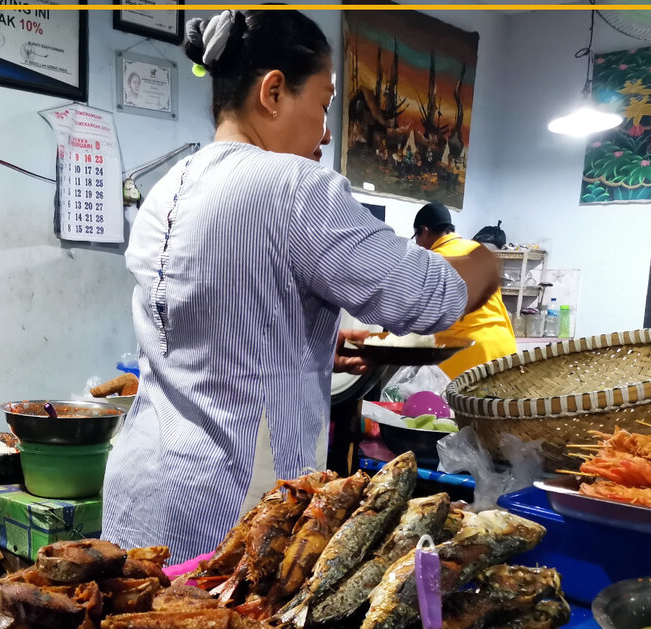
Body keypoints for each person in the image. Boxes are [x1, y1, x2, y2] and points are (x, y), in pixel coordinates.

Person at [101, 8, 500, 564]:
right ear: (272, 92)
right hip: (228, 501)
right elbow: (425, 296)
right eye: (324, 102)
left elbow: (208, 328)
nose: (326, 128)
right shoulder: (293, 187)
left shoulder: (166, 190)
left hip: (139, 482)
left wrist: (313, 349)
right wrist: (486, 264)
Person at [412, 201, 518, 380]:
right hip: (503, 347)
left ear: (425, 231)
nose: (417, 243)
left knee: (453, 406)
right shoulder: (477, 249)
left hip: (469, 353)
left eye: (416, 236)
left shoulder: (431, 260)